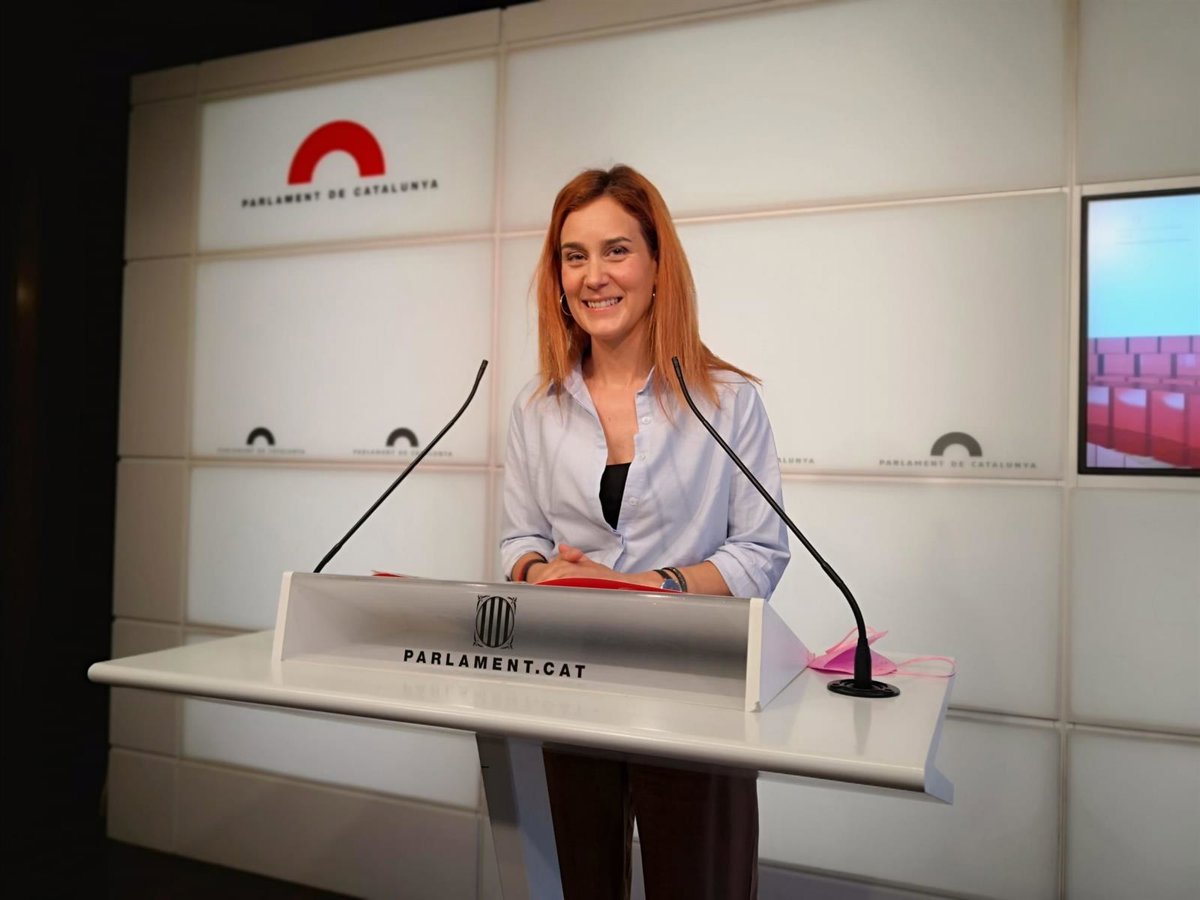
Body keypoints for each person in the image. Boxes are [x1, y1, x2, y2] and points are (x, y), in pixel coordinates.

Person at [499, 164, 790, 900]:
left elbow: (760, 553)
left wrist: (641, 587)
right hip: (570, 683)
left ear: (659, 267)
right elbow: (517, 541)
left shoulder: (729, 402)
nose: (594, 276)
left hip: (697, 689)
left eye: (617, 250)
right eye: (574, 256)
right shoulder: (536, 408)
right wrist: (542, 575)